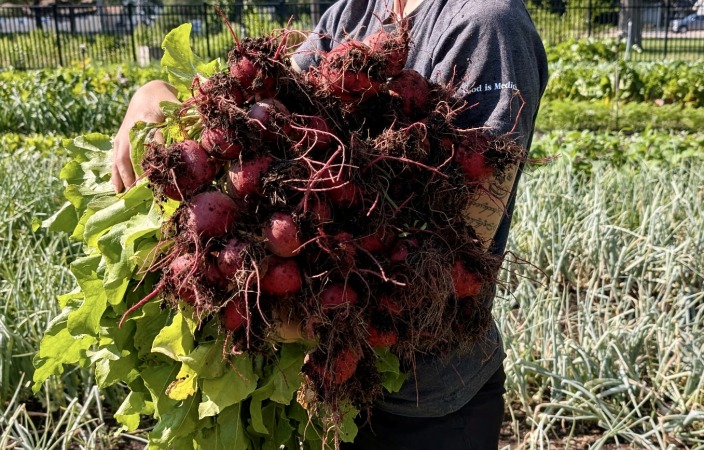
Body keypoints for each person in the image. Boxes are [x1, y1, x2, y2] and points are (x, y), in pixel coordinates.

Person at [111, 0, 547, 447]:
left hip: (429, 407)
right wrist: (157, 94)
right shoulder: (354, 9)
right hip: (329, 401)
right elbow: (273, 106)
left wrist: (277, 317)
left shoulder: (487, 23)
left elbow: (439, 269)